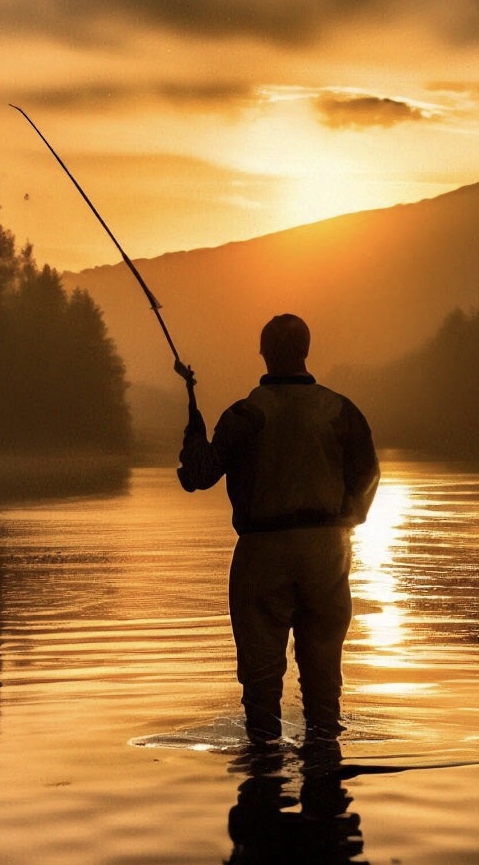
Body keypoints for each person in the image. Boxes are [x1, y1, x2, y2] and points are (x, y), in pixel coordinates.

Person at [176, 314, 379, 747]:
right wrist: (344, 523)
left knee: (261, 688)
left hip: (262, 555)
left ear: (264, 353)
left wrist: (193, 423)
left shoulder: (245, 415)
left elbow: (197, 475)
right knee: (324, 691)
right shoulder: (340, 410)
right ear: (306, 350)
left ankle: (263, 783)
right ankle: (326, 785)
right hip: (327, 552)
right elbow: (367, 476)